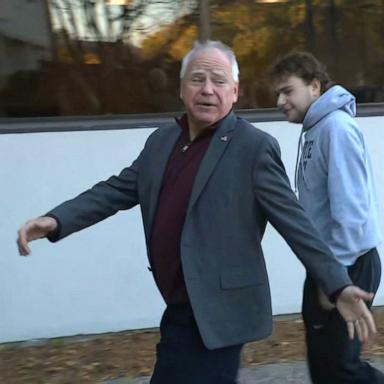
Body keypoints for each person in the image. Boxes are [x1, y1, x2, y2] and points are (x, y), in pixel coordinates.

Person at [17, 41, 376, 384]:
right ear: (181, 89)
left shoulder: (252, 148)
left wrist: (338, 283)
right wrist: (56, 220)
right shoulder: (161, 142)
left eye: (219, 81)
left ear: (234, 92)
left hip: (221, 310)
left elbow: (295, 222)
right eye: (197, 79)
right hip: (179, 303)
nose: (208, 90)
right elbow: (115, 190)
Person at [271, 51, 383, 384]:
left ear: (315, 86)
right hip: (328, 264)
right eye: (277, 93)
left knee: (340, 369)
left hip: (349, 264)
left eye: (287, 91)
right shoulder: (317, 129)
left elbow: (351, 212)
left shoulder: (336, 128)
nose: (280, 101)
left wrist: (335, 281)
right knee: (324, 367)